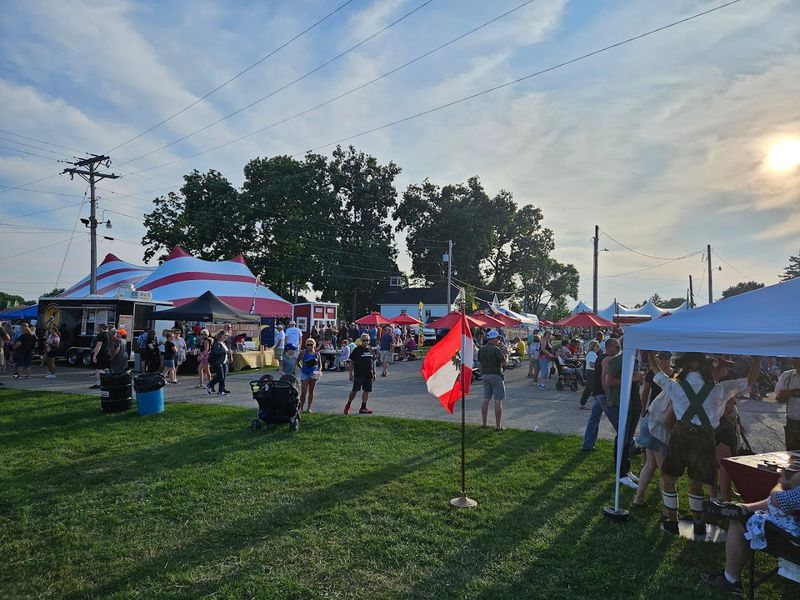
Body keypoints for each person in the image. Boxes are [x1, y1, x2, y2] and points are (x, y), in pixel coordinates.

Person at [650, 351, 760, 535]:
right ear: (707, 368)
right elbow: (749, 381)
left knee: (668, 479)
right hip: (705, 438)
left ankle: (672, 521)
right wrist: (758, 357)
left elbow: (656, 371)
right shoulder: (720, 389)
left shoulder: (675, 386)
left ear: (683, 368)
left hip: (681, 436)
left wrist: (649, 353)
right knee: (696, 482)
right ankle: (699, 523)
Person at [700, 470, 800, 596]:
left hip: (795, 546)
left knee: (739, 522)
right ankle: (745, 508)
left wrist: (782, 483)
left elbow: (776, 498)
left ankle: (730, 580)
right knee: (781, 507)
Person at [602, 339, 644, 490]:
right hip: (622, 403)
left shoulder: (636, 360)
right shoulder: (617, 361)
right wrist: (632, 378)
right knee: (622, 437)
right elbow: (609, 381)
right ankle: (621, 473)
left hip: (634, 403)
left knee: (628, 438)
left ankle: (626, 469)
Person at [633, 351, 673, 507]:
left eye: (666, 358)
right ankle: (667, 507)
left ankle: (639, 498)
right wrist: (643, 408)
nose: (664, 361)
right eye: (661, 358)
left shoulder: (675, 374)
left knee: (650, 463)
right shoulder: (656, 374)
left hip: (654, 418)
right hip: (657, 421)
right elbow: (645, 392)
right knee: (663, 468)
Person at [478, 330, 507, 431]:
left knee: (486, 400)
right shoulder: (496, 350)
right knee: (498, 401)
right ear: (493, 339)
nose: (499, 340)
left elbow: (479, 364)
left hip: (485, 376)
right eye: (498, 338)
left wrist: (482, 374)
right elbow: (504, 364)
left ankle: (484, 423)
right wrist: (506, 355)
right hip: (496, 376)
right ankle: (498, 426)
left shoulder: (481, 349)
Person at [344, 333, 376, 415]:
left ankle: (363, 407)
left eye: (368, 340)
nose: (366, 342)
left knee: (366, 391)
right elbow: (351, 362)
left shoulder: (370, 349)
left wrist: (374, 372)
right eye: (364, 340)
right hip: (359, 374)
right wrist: (350, 373)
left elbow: (373, 362)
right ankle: (348, 404)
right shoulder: (357, 350)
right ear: (361, 341)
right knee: (355, 390)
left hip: (369, 375)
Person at [774, 357, 800, 451]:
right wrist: (783, 396)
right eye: (795, 361)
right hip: (792, 423)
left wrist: (791, 392)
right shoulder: (787, 376)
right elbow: (778, 398)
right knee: (792, 455)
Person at [299, 338, 322, 413]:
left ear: (314, 345)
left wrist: (319, 371)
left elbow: (320, 365)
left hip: (313, 374)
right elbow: (297, 361)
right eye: (307, 345)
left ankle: (309, 408)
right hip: (305, 373)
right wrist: (301, 368)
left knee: (311, 391)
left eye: (311, 345)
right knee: (303, 392)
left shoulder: (317, 354)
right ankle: (301, 407)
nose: (309, 346)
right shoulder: (303, 352)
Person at [206, 331, 230, 396]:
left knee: (223, 377)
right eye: (225, 335)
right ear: (221, 335)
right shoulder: (217, 343)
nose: (226, 337)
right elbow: (216, 352)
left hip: (224, 362)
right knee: (220, 377)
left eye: (227, 335)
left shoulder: (223, 343)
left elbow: (226, 352)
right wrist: (224, 352)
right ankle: (209, 385)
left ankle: (221, 391)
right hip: (218, 362)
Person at [89, 323, 112, 389]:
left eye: (98, 327)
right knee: (106, 368)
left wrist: (94, 355)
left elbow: (99, 345)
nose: (97, 329)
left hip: (102, 354)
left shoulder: (101, 335)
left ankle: (99, 384)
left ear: (101, 328)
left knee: (98, 370)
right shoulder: (110, 334)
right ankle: (107, 383)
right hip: (108, 354)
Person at [579, 341, 600, 409]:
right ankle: (582, 403)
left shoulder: (592, 354)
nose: (598, 348)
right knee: (589, 389)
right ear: (593, 347)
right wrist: (599, 365)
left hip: (591, 372)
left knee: (591, 388)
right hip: (591, 372)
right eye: (597, 346)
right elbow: (592, 364)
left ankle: (583, 403)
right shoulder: (592, 354)